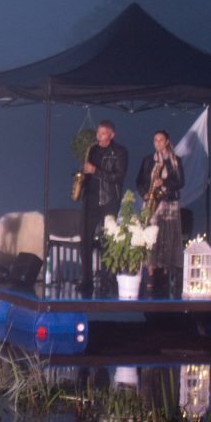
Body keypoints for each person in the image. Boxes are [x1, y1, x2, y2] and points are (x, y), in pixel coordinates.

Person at [75, 119, 129, 298]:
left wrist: (95, 171)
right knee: (85, 240)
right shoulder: (92, 149)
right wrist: (81, 177)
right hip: (90, 199)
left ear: (111, 135)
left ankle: (107, 280)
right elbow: (87, 172)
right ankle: (86, 280)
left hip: (108, 201)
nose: (98, 136)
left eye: (103, 133)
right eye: (98, 132)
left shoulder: (120, 152)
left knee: (107, 242)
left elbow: (118, 177)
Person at [142, 127, 185, 297]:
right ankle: (150, 273)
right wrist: (145, 193)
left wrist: (164, 183)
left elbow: (180, 182)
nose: (158, 143)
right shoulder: (148, 160)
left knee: (167, 238)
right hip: (152, 203)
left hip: (168, 204)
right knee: (151, 238)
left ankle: (165, 275)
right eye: (155, 140)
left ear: (167, 142)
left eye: (161, 140)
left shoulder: (175, 161)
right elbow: (140, 180)